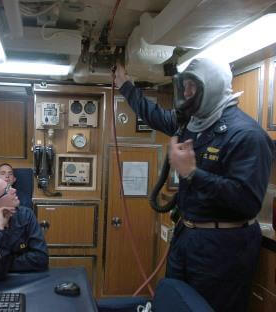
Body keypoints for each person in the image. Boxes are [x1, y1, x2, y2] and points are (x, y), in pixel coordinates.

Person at [115, 58, 274, 311]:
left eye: (192, 87)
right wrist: (125, 85)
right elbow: (154, 116)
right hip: (187, 237)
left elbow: (247, 200)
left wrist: (191, 173)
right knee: (176, 303)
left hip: (223, 246)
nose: (186, 93)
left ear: (210, 87)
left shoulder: (247, 135)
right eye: (184, 86)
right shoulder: (193, 123)